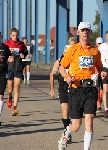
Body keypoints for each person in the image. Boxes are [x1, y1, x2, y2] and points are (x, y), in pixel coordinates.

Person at [58, 22, 107, 150]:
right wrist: (67, 77)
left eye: (87, 30)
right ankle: (66, 132)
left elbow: (100, 67)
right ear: (78, 32)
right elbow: (61, 67)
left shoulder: (95, 51)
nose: (85, 32)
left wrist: (102, 72)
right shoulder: (72, 50)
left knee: (89, 121)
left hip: (90, 89)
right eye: (82, 30)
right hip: (76, 89)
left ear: (90, 33)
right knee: (76, 126)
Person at [50, 37, 76, 144]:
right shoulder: (59, 62)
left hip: (74, 87)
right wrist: (52, 89)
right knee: (64, 109)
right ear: (63, 52)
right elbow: (52, 74)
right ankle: (66, 132)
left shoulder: (75, 62)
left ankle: (68, 130)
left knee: (71, 112)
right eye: (66, 52)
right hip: (63, 86)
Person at [4, 28, 28, 116]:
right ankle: (10, 98)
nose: (15, 37)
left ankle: (15, 108)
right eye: (13, 35)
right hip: (9, 67)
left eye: (16, 35)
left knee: (17, 87)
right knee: (10, 89)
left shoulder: (21, 44)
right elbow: (3, 55)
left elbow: (25, 52)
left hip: (18, 67)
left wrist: (23, 55)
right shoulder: (6, 44)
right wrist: (7, 57)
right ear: (10, 35)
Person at [98, 31, 108, 118]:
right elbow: (97, 57)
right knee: (105, 89)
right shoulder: (102, 47)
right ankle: (106, 109)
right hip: (104, 69)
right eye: (107, 36)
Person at [95, 37, 103, 113]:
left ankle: (100, 100)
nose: (100, 45)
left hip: (103, 72)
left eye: (101, 43)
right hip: (96, 73)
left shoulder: (105, 51)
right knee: (97, 89)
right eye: (99, 43)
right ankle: (99, 106)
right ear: (96, 44)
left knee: (103, 90)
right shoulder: (95, 51)